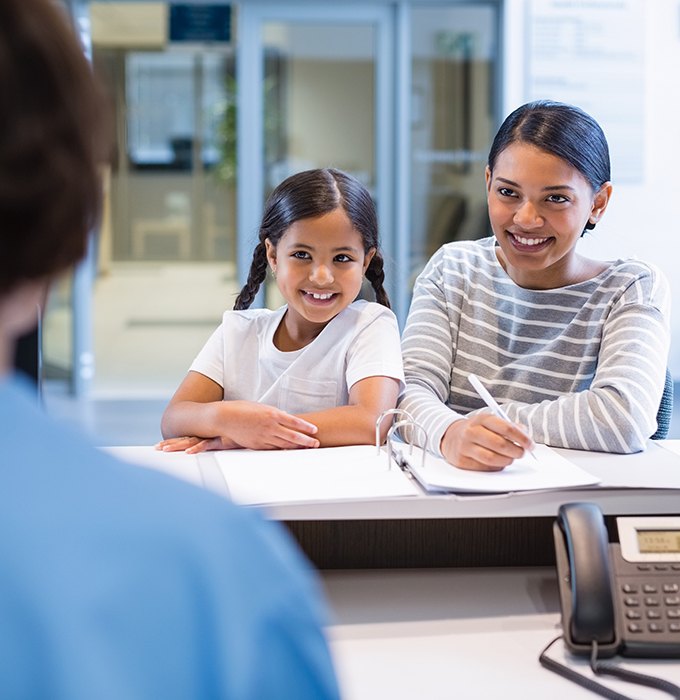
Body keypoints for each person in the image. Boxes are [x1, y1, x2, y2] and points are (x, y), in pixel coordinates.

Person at [0, 0, 339, 697]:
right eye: (300, 254)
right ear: (64, 227)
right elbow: (179, 416)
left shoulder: (368, 331)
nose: (321, 276)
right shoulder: (210, 574)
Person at [399, 100, 670, 472]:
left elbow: (624, 419)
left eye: (556, 198)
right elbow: (408, 392)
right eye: (508, 193)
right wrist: (451, 434)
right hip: (452, 504)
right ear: (488, 182)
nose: (526, 219)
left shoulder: (631, 288)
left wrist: (478, 424)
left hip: (567, 506)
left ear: (598, 203)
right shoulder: (453, 269)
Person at [157, 168, 404, 454]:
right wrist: (231, 420)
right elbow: (174, 419)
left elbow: (370, 421)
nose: (322, 276)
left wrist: (249, 435)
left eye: (342, 258)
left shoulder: (370, 325)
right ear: (273, 256)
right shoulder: (238, 331)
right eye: (302, 255)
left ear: (365, 261)